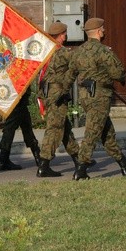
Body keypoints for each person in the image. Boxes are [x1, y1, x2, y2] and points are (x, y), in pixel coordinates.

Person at [67, 17, 126, 180]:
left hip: (85, 97)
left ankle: (125, 165)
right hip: (100, 97)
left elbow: (71, 73)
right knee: (92, 133)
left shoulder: (78, 51)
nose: (105, 31)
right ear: (99, 31)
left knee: (107, 133)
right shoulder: (103, 51)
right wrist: (117, 77)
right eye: (103, 29)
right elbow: (118, 72)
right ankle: (81, 170)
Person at [36, 22, 84, 177]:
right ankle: (44, 164)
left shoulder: (46, 51)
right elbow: (77, 59)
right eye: (64, 33)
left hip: (49, 94)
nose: (66, 36)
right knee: (55, 128)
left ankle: (78, 159)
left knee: (65, 129)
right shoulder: (61, 52)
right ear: (59, 35)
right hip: (57, 94)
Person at [0, 85, 41, 171]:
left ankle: (38, 157)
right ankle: (3, 161)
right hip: (16, 97)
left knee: (25, 127)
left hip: (17, 98)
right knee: (11, 130)